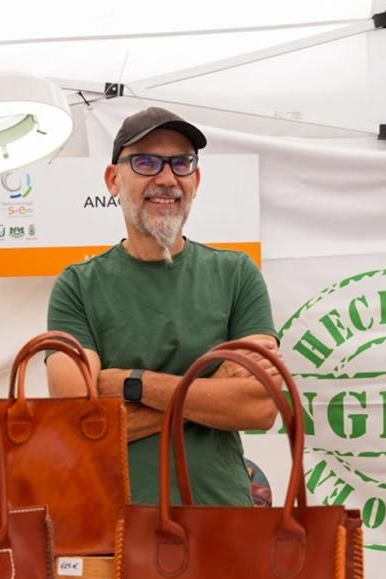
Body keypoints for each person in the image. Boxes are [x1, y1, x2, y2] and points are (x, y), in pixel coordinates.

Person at [45, 107, 280, 506]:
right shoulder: (78, 286)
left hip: (220, 517)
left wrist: (128, 384)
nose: (167, 178)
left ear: (196, 180)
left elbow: (260, 406)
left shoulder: (237, 274)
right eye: (146, 162)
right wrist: (211, 392)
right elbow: (79, 419)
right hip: (112, 523)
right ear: (113, 180)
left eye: (181, 163)